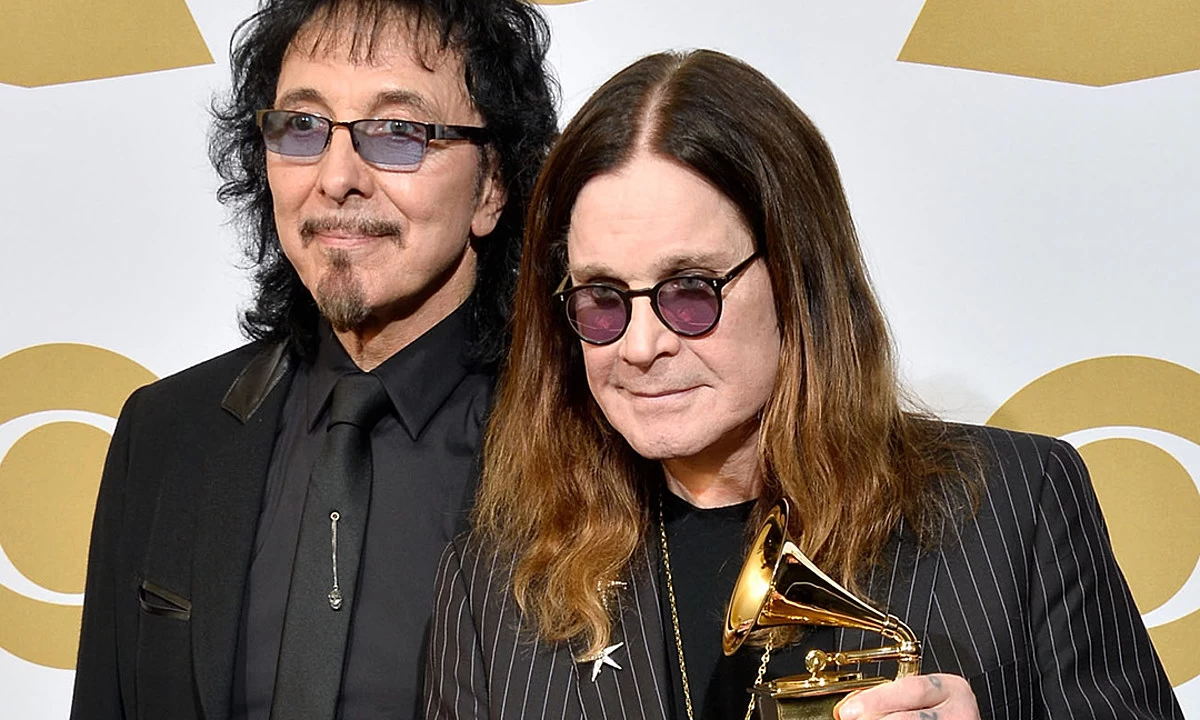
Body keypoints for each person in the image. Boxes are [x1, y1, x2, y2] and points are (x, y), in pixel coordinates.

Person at [423, 50, 1182, 720]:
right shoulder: (495, 586)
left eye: (690, 290)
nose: (642, 345)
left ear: (797, 277)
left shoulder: (1017, 508)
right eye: (602, 298)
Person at [70, 0, 557, 720]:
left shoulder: (584, 444)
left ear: (493, 184)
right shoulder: (166, 435)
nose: (336, 178)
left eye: (398, 131)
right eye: (302, 126)